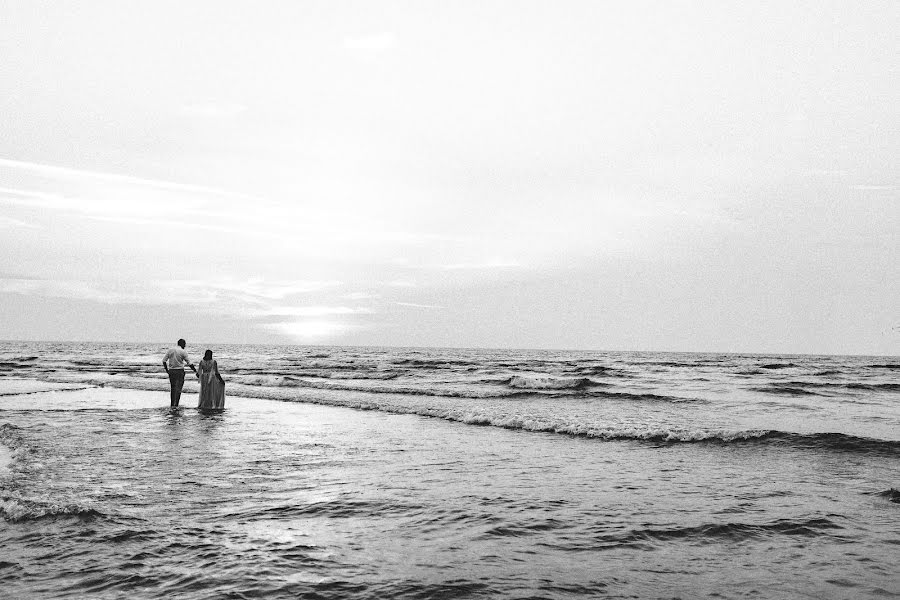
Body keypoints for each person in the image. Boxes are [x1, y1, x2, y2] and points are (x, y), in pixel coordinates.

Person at [162, 339, 196, 408]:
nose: (185, 346)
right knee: (179, 389)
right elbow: (189, 363)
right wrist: (195, 371)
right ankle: (176, 405)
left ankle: (172, 404)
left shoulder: (170, 350)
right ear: (182, 344)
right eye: (185, 344)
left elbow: (164, 361)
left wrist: (167, 370)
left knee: (173, 388)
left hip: (171, 371)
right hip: (180, 371)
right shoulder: (183, 352)